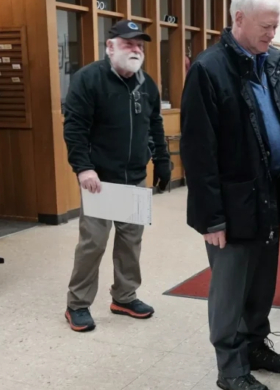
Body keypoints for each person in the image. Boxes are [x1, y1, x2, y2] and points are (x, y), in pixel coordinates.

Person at [180, 0, 280, 390]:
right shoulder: (208, 70)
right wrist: (212, 218)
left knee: (262, 282)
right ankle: (231, 369)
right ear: (239, 19)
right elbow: (199, 154)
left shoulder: (268, 64)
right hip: (230, 207)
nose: (273, 33)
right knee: (231, 290)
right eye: (267, 25)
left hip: (268, 198)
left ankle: (255, 346)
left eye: (276, 25)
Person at [62, 20, 171, 332]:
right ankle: (77, 304)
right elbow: (75, 128)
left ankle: (124, 296)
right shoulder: (89, 80)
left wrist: (162, 161)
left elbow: (155, 125)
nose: (135, 49)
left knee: (130, 242)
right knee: (93, 243)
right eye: (128, 44)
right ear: (110, 47)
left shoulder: (146, 84)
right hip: (100, 180)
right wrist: (83, 168)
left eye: (139, 45)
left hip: (135, 176)